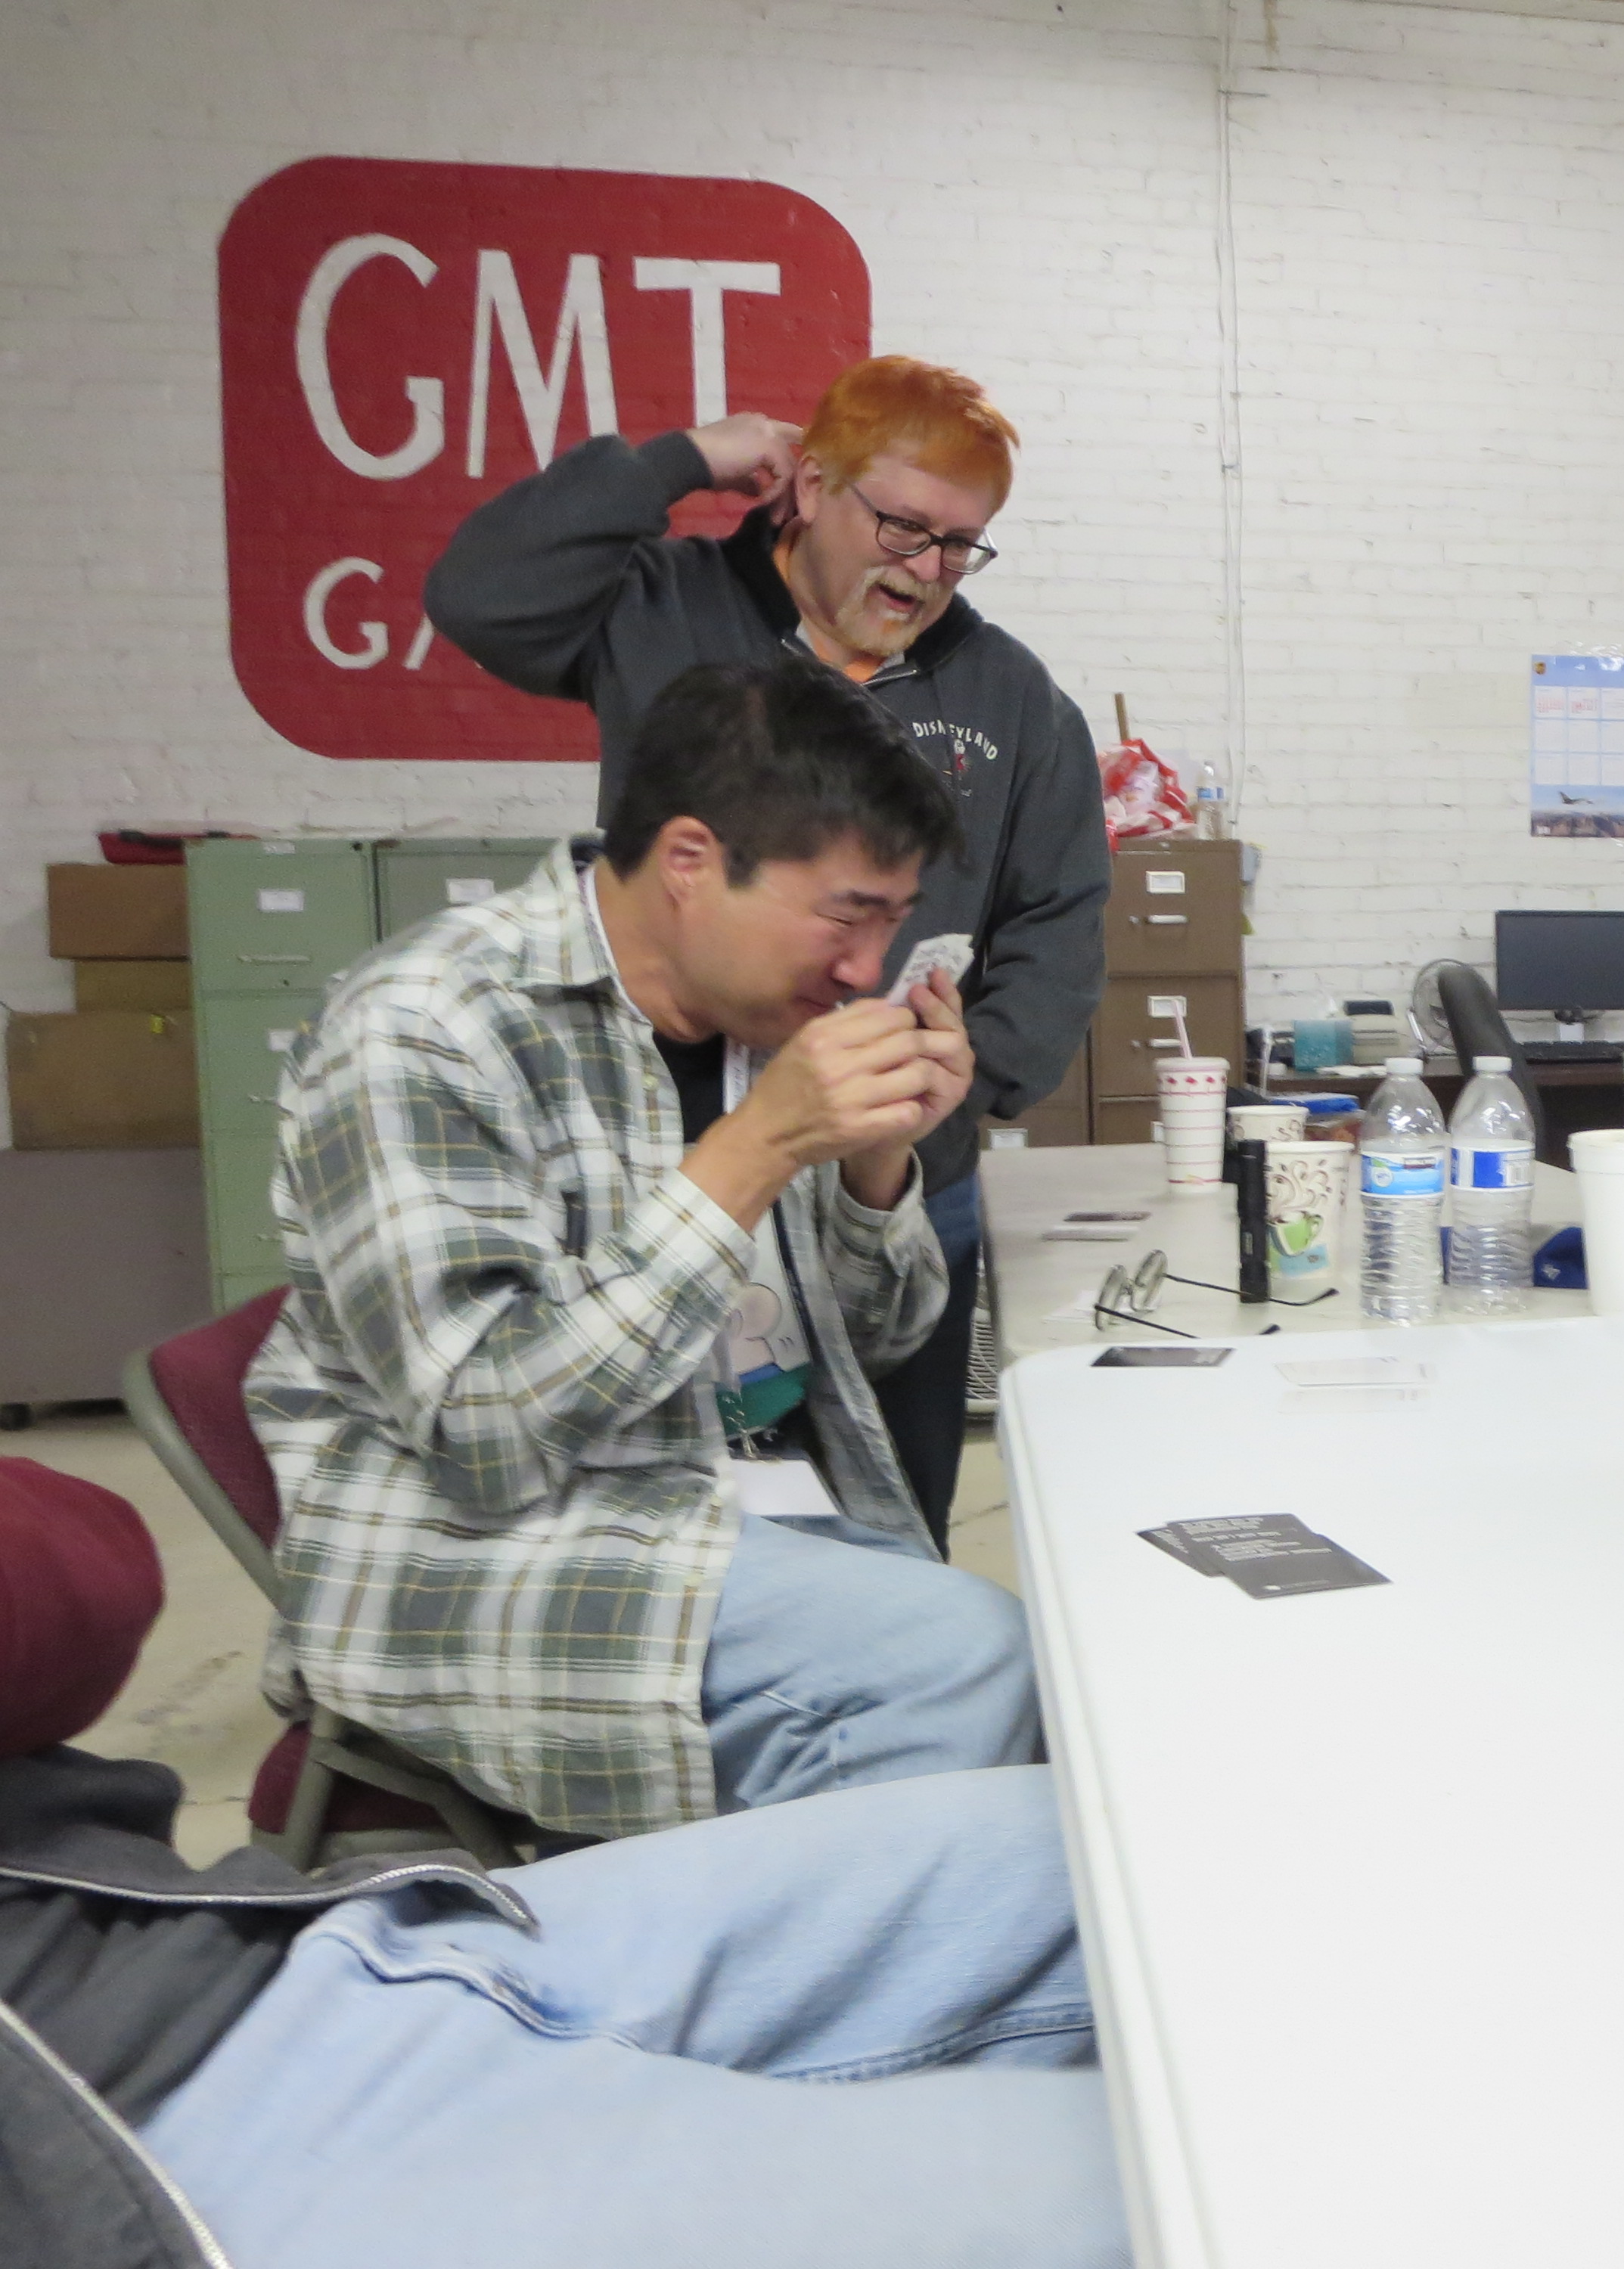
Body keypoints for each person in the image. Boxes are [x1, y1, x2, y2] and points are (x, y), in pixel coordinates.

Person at [253, 659, 1039, 1842]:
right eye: (847, 916)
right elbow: (484, 1434)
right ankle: (748, 1952)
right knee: (972, 1670)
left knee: (1073, 1665)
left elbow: (877, 1342)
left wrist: (880, 1161)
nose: (867, 971)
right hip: (485, 1551)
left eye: (894, 920)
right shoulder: (423, 1026)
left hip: (741, 1498)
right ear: (689, 863)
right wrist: (752, 1152)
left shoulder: (753, 1017)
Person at [0, 1453, 1126, 2269]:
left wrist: (861, 1208)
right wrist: (727, 1200)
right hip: (136, 2151)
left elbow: (81, 1577)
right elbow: (497, 1432)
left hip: (262, 1947)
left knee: (1112, 1850)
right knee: (1173, 2193)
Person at [427, 355, 1113, 1553]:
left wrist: (964, 1089)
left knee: (893, 1517)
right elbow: (481, 594)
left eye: (961, 544)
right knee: (667, 1513)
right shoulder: (662, 609)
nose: (928, 569)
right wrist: (683, 460)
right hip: (667, 1161)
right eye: (902, 526)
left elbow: (1060, 911)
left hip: (892, 1180)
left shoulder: (1007, 695)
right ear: (809, 485)